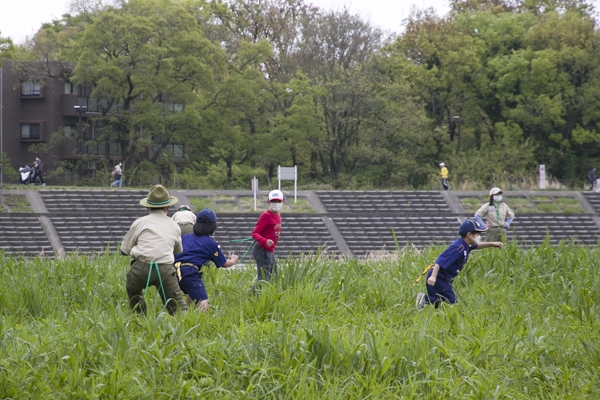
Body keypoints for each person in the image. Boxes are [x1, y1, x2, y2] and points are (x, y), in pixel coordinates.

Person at [120, 184, 188, 315]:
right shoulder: (174, 225)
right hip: (166, 269)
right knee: (177, 306)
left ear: (147, 207)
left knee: (133, 289)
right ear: (167, 207)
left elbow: (125, 250)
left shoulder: (139, 223)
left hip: (141, 267)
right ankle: (184, 324)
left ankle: (139, 316)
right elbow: (178, 250)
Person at [416, 219, 503, 311]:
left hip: (443, 278)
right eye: (477, 234)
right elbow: (440, 261)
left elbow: (476, 245)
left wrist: (492, 244)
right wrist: (433, 276)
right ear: (469, 235)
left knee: (445, 303)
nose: (479, 237)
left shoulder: (466, 244)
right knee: (453, 304)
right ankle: (424, 299)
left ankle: (425, 302)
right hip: (438, 278)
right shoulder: (458, 248)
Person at [174, 209, 239, 311]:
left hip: (175, 271)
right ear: (213, 227)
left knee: (191, 293)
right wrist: (233, 260)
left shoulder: (185, 237)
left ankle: (189, 317)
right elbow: (224, 263)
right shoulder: (211, 243)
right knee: (204, 302)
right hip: (189, 271)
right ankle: (198, 324)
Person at [250, 189, 284, 291]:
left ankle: (267, 295)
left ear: (283, 202)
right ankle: (253, 295)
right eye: (273, 201)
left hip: (269, 250)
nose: (276, 204)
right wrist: (265, 241)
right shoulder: (265, 215)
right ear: (269, 202)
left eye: (278, 201)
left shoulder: (278, 214)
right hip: (261, 250)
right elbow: (254, 234)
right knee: (264, 278)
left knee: (274, 275)